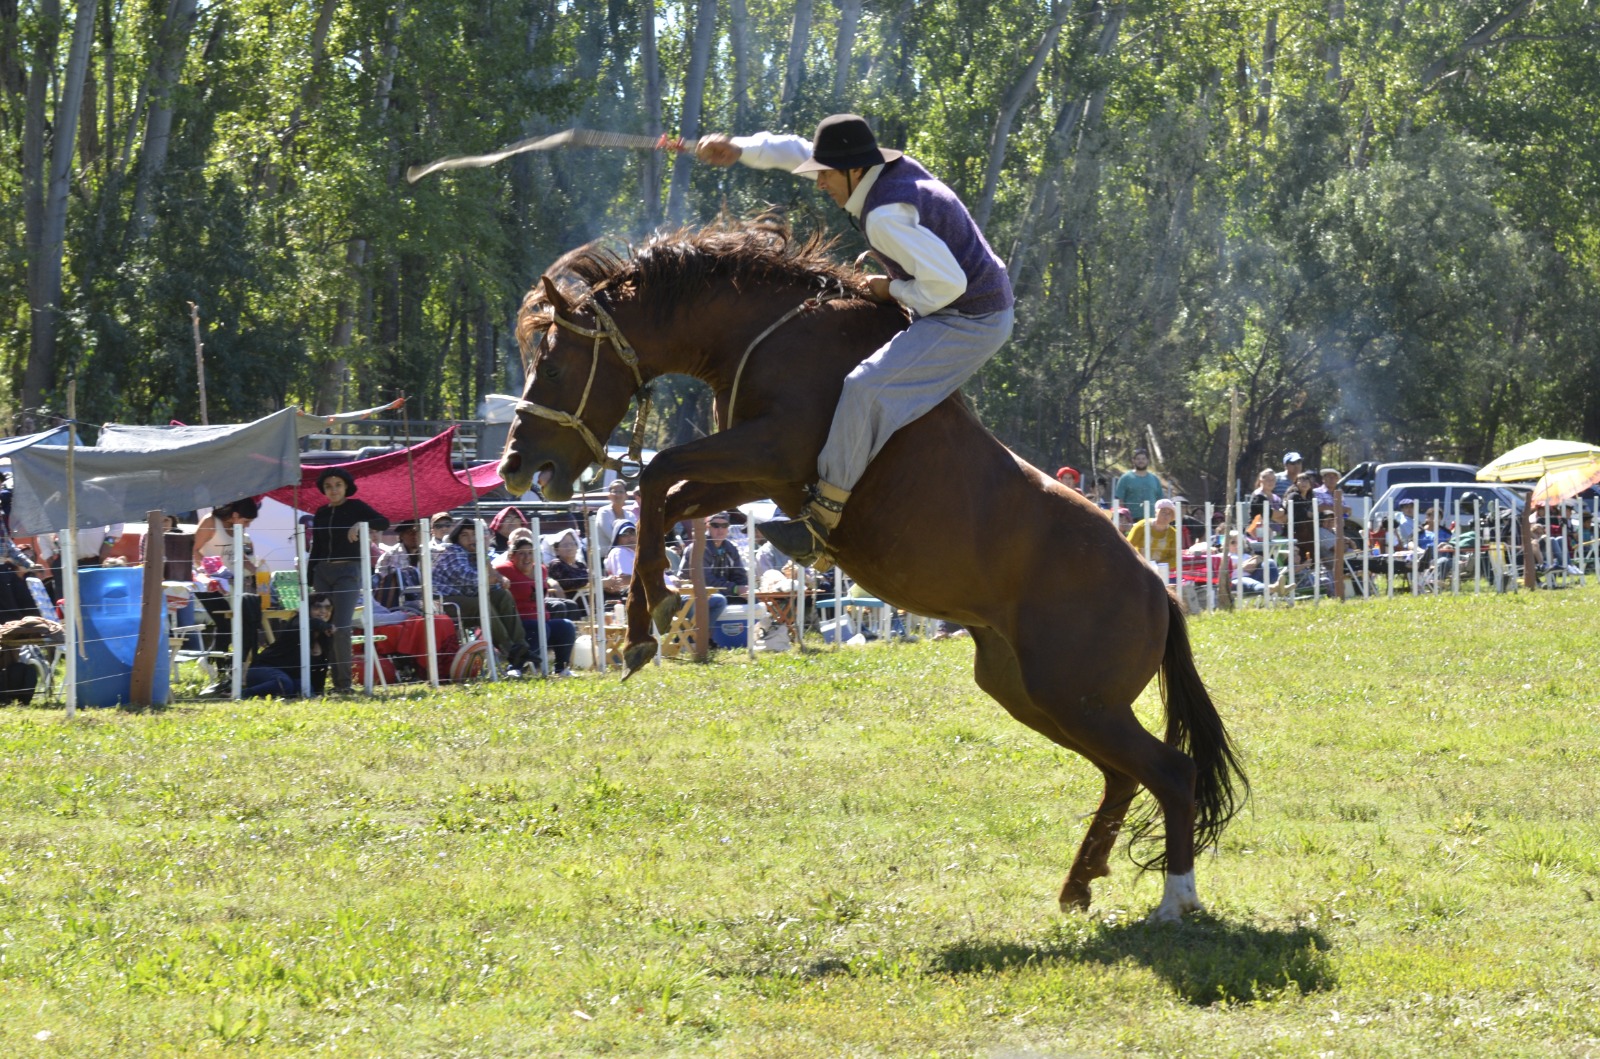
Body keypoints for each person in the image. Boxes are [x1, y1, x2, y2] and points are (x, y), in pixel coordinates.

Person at [692, 113, 1015, 567]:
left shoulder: (884, 216)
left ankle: (820, 522)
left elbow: (948, 286)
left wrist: (889, 288)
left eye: (825, 174)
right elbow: (794, 151)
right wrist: (740, 149)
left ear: (854, 171)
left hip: (970, 318)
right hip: (958, 301)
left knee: (865, 389)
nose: (819, 183)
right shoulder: (877, 173)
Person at [308, 468, 391, 693]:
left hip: (348, 572)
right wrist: (309, 576)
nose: (333, 489)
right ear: (323, 490)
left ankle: (343, 685)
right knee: (322, 627)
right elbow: (316, 546)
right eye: (328, 486)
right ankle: (319, 682)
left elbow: (383, 521)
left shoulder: (356, 507)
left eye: (337, 485)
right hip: (322, 573)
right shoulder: (321, 512)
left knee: (342, 627)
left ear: (346, 487)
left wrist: (361, 524)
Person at [431, 517, 534, 673]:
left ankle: (522, 648)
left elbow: (493, 580)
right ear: (457, 538)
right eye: (465, 535)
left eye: (474, 534)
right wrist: (495, 578)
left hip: (466, 599)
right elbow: (469, 579)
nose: (471, 539)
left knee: (502, 595)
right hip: (442, 603)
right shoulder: (454, 551)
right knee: (482, 604)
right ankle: (511, 651)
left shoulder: (477, 553)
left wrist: (486, 558)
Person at [493, 529, 578, 676]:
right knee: (539, 627)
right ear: (512, 556)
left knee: (566, 626)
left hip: (541, 618)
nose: (526, 557)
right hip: (518, 623)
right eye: (521, 553)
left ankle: (561, 668)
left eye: (530, 553)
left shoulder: (541, 570)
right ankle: (516, 667)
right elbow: (490, 580)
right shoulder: (503, 570)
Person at [230, 593, 335, 699]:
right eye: (317, 607)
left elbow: (320, 670)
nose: (323, 611)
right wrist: (323, 625)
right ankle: (243, 694)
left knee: (305, 689)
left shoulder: (325, 636)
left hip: (289, 676)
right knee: (284, 684)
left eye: (328, 607)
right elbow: (305, 623)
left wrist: (317, 693)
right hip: (262, 670)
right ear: (307, 609)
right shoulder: (297, 623)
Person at [374, 519, 426, 613]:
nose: (414, 536)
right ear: (401, 535)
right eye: (409, 532)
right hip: (399, 600)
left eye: (417, 532)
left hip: (424, 596)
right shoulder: (389, 556)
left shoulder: (428, 553)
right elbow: (383, 586)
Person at [1125, 498, 1181, 577]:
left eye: (1169, 514)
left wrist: (1158, 565)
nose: (1166, 516)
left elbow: (1175, 558)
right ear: (1156, 512)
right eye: (1163, 512)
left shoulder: (1174, 534)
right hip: (1138, 567)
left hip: (1160, 572)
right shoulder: (1142, 526)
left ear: (1172, 517)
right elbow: (1128, 546)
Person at [701, 513, 749, 600]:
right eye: (715, 525)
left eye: (724, 525)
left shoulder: (731, 548)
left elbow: (740, 575)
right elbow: (706, 581)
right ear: (708, 526)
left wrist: (744, 588)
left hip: (725, 593)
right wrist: (735, 588)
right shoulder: (699, 548)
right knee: (719, 600)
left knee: (755, 601)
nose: (720, 530)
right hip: (700, 595)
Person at [1112, 448, 1165, 519]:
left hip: (1151, 519)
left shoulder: (1154, 479)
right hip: (1131, 520)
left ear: (1147, 460)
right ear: (1133, 460)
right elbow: (1119, 499)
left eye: (1143, 459)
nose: (1141, 461)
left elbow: (1160, 500)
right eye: (1138, 459)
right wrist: (1123, 518)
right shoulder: (1125, 478)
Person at [596, 480, 639, 552]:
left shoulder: (630, 516)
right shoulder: (603, 512)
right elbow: (613, 537)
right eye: (615, 491)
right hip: (604, 558)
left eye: (621, 492)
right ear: (609, 496)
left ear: (626, 496)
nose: (618, 495)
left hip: (628, 555)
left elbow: (635, 537)